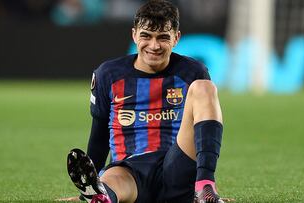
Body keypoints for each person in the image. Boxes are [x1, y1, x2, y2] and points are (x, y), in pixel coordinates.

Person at [61, 0, 228, 202]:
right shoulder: (109, 74)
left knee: (205, 88)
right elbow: (99, 135)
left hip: (176, 168)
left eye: (163, 37)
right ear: (134, 35)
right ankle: (100, 195)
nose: (154, 45)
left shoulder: (193, 71)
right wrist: (85, 190)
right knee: (112, 181)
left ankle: (205, 189)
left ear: (176, 38)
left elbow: (202, 133)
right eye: (146, 36)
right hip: (129, 170)